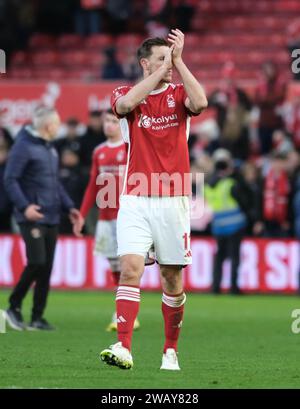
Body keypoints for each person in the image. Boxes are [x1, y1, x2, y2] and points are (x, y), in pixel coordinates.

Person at [99, 30, 208, 370]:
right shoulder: (126, 93)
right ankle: (124, 345)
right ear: (144, 64)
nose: (168, 65)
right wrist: (161, 72)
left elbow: (201, 103)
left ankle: (170, 350)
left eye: (171, 58)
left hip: (172, 198)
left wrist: (179, 62)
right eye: (161, 59)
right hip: (134, 198)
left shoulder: (179, 94)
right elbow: (124, 106)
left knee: (172, 278)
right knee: (130, 270)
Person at [3, 107, 80, 331]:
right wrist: (24, 207)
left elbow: (54, 183)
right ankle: (13, 306)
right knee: (36, 261)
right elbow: (10, 179)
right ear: (48, 126)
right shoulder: (23, 147)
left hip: (52, 215)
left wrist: (70, 208)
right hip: (32, 216)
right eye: (57, 123)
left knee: (46, 267)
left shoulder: (49, 148)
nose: (59, 127)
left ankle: (37, 317)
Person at [73, 109, 150, 331]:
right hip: (105, 218)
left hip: (128, 215)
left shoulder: (129, 147)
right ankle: (123, 311)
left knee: (129, 265)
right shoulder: (99, 151)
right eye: (106, 121)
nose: (109, 125)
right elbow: (92, 186)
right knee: (115, 265)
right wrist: (82, 214)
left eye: (114, 121)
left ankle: (127, 313)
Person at [205, 149, 253, 295]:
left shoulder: (208, 185)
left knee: (219, 257)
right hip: (235, 224)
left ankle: (216, 287)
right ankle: (233, 287)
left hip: (218, 225)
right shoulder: (230, 183)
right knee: (234, 257)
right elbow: (245, 200)